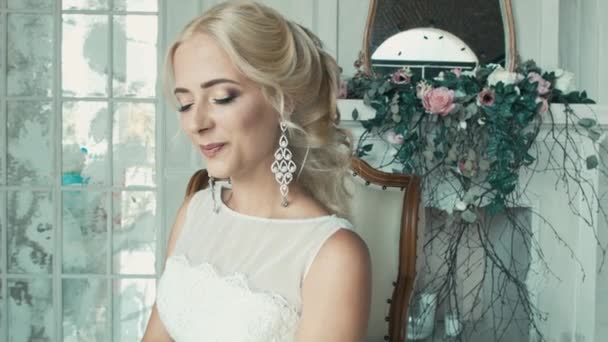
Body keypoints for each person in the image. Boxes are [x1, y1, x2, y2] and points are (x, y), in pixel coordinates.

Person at [143, 1, 371, 341]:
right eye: (185, 103)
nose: (196, 122)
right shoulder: (195, 211)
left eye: (221, 97)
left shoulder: (333, 254)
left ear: (283, 100)